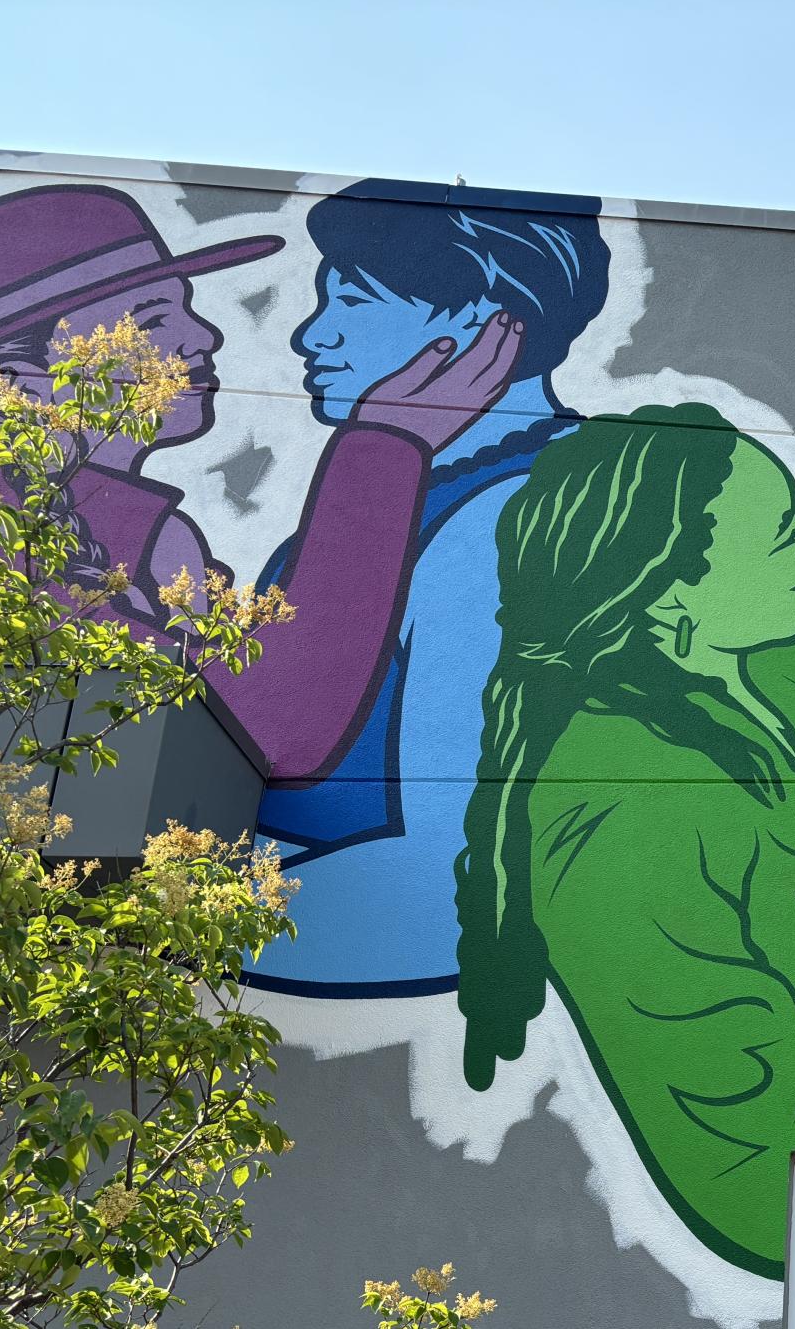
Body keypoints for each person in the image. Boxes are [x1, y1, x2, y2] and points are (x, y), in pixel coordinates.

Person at [455, 405, 795, 1277]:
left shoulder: (786, 678)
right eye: (782, 530)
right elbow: (763, 1185)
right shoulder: (616, 812)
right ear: (667, 588)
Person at [0, 183, 508, 783]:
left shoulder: (147, 535)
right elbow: (275, 724)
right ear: (20, 380)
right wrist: (385, 445)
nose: (204, 336)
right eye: (155, 320)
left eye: (185, 308)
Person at [248, 178, 612, 993]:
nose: (312, 335)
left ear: (482, 325)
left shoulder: (505, 525)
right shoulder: (390, 501)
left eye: (351, 301)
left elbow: (456, 886)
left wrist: (149, 930)